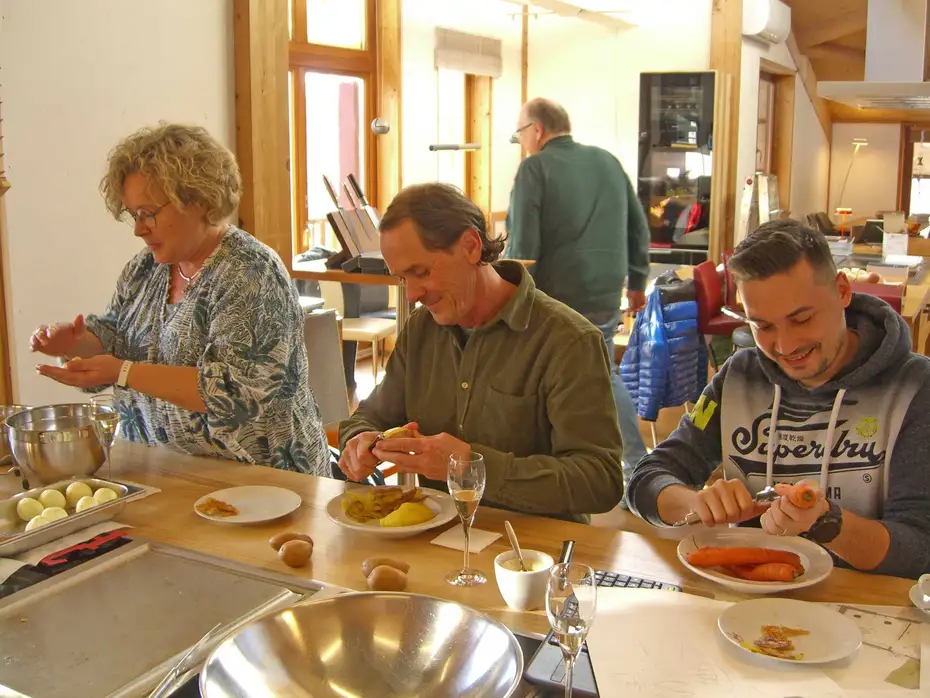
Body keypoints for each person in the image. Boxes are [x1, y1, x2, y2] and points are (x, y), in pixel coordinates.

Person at [627, 220, 930, 578]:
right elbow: (645, 479)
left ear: (843, 291)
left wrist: (828, 524)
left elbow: (920, 549)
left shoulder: (915, 389)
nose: (785, 348)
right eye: (763, 327)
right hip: (742, 606)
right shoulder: (738, 377)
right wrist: (693, 503)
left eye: (801, 319)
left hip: (863, 612)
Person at [33, 123, 330, 475]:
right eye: (133, 214)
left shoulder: (250, 272)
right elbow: (117, 339)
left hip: (261, 482)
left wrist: (124, 372)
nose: (139, 229)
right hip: (166, 471)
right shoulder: (145, 268)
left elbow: (235, 394)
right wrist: (79, 342)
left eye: (148, 213)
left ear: (198, 200)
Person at [338, 183, 624, 523]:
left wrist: (471, 466)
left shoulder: (567, 341)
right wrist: (359, 442)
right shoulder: (420, 331)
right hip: (439, 545)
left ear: (471, 246)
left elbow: (601, 480)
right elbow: (370, 416)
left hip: (532, 558)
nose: (412, 293)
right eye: (402, 278)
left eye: (421, 272)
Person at [505, 97, 651, 485]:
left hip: (556, 294)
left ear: (537, 131)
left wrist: (505, 294)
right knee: (598, 369)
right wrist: (637, 281)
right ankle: (612, 462)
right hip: (604, 291)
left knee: (591, 374)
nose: (521, 141)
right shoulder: (607, 161)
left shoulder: (534, 168)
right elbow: (638, 226)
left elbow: (522, 248)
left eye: (520, 133)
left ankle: (636, 466)